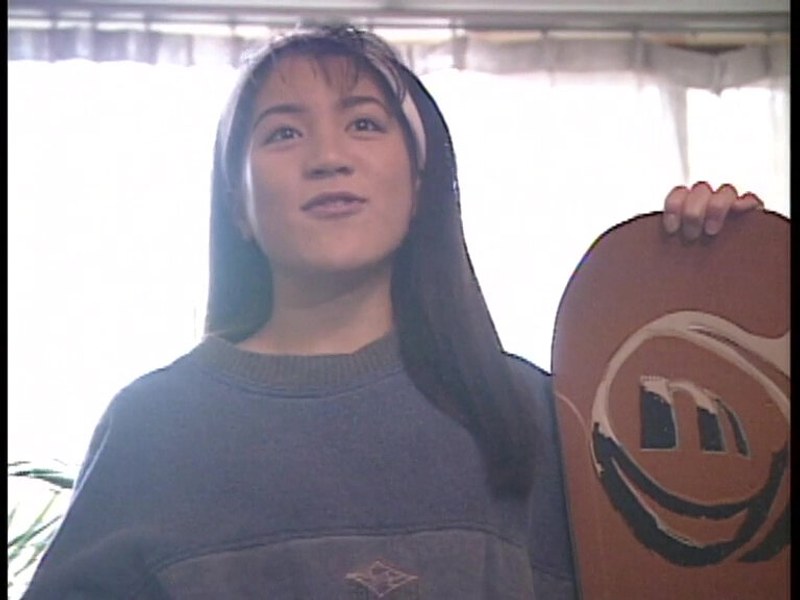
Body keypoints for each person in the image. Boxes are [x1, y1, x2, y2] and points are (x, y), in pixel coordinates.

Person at [22, 25, 763, 600]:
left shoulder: (535, 415)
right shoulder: (153, 429)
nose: (327, 156)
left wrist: (726, 276)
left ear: (420, 181)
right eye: (283, 132)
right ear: (238, 205)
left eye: (365, 124)